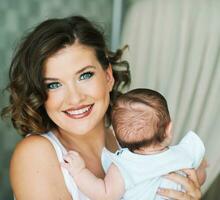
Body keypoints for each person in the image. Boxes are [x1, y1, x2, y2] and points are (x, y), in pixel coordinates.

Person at [1, 15, 203, 200]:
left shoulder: (129, 142)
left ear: (108, 77)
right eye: (53, 85)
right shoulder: (36, 154)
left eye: (85, 75)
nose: (75, 98)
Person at [61, 88, 206, 200]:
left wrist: (79, 171)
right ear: (169, 129)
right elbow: (198, 174)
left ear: (117, 138)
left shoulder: (124, 167)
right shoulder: (184, 152)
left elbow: (104, 194)